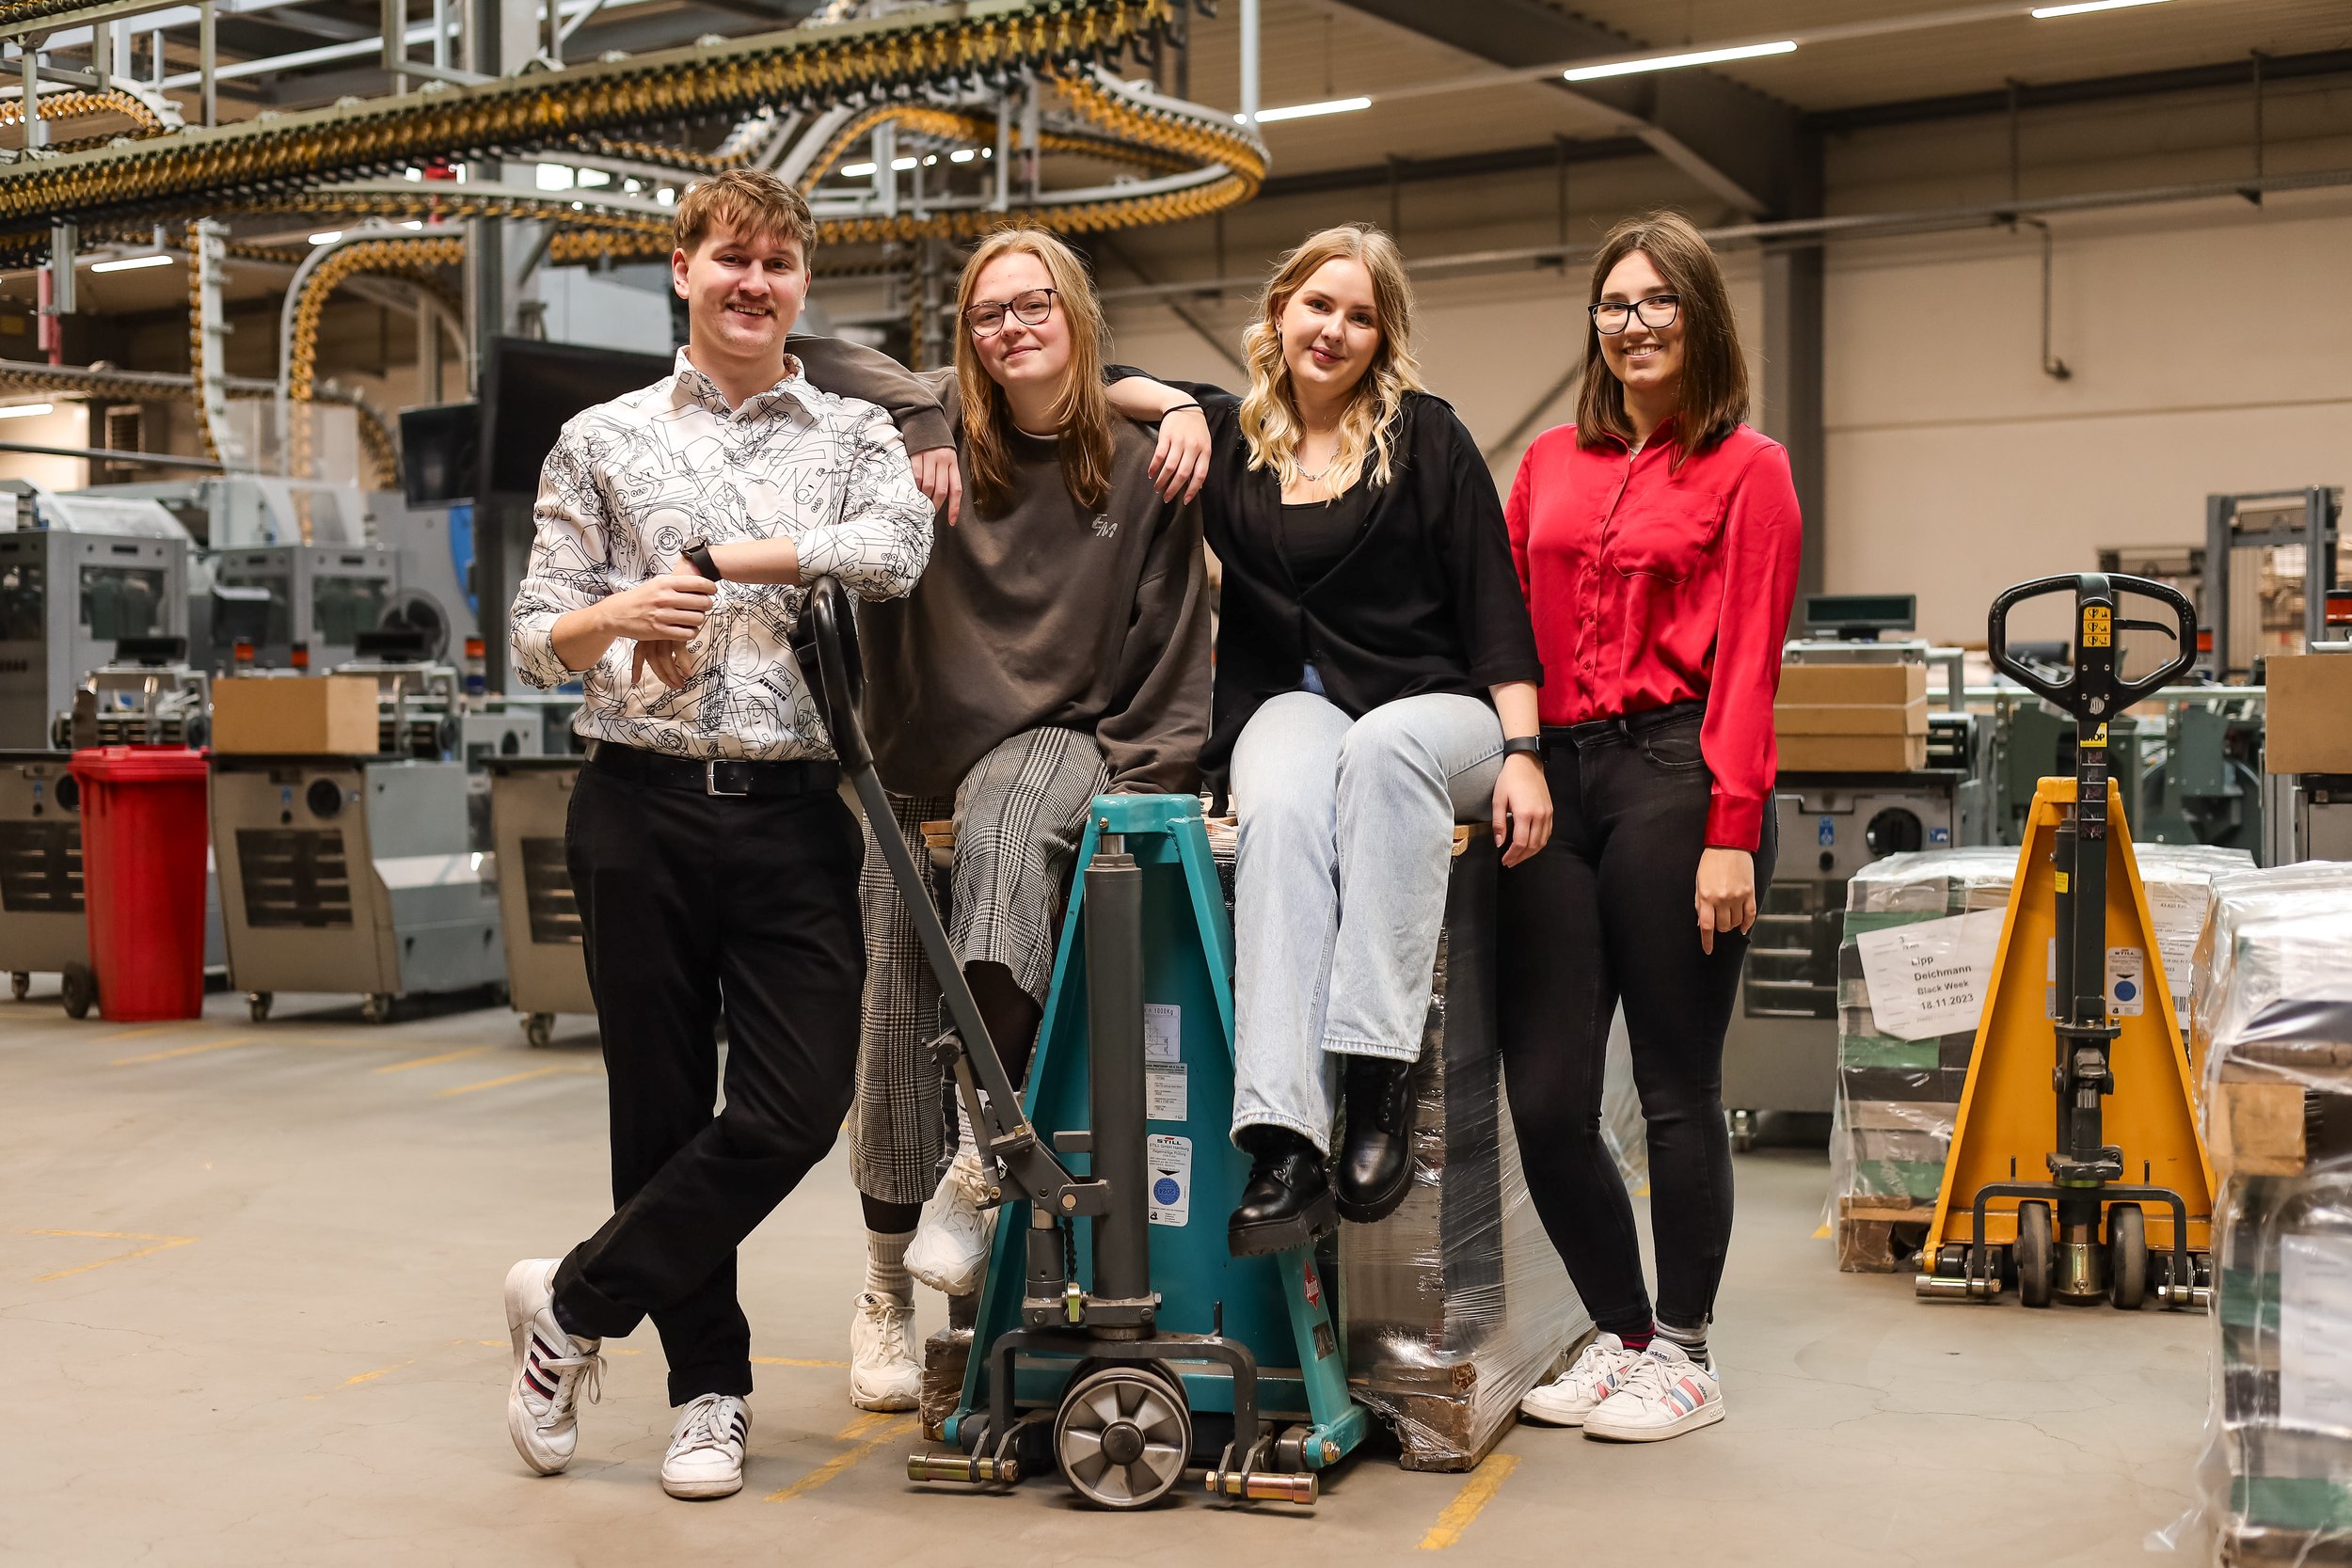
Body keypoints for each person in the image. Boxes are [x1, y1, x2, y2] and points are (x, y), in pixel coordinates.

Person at [501, 167, 933, 1501]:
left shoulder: (853, 431)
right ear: (681, 268)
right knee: (658, 1104)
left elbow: (895, 551)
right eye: (730, 258)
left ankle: (571, 1300)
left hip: (795, 810)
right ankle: (709, 1391)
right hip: (636, 806)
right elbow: (534, 638)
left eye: (778, 262)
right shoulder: (601, 437)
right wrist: (618, 613)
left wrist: (718, 561)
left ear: (802, 283)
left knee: (798, 1102)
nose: (754, 282)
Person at [790, 229, 1210, 1411]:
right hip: (911, 748)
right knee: (890, 1003)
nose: (1011, 327)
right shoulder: (925, 433)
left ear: (1076, 314)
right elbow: (803, 350)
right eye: (987, 312)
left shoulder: (1145, 460)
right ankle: (884, 1283)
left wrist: (1147, 775)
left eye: (1034, 306)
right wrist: (923, 412)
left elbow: (1173, 634)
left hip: (1057, 731)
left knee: (1006, 828)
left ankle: (981, 1159)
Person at [1106, 223, 1549, 1258]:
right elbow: (1105, 380)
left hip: (1443, 716)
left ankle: (1377, 1079)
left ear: (1382, 337)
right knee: (1282, 790)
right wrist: (1179, 406)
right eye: (1318, 304)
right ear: (1280, 311)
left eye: (1361, 316)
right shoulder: (1234, 437)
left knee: (1384, 747)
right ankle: (1285, 1138)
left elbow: (1495, 604)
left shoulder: (1426, 437)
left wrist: (1527, 751)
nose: (1334, 330)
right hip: (1299, 705)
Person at [1502, 210, 1801, 1443]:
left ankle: (1686, 1348)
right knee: (1548, 1095)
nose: (1633, 324)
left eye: (1657, 301)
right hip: (1554, 783)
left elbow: (1753, 658)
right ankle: (1623, 1333)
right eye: (1615, 304)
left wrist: (1732, 823)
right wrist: (1508, 756)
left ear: (1699, 316)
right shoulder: (1547, 462)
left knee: (1676, 1088)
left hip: (1680, 774)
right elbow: (1501, 625)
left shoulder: (1749, 467)